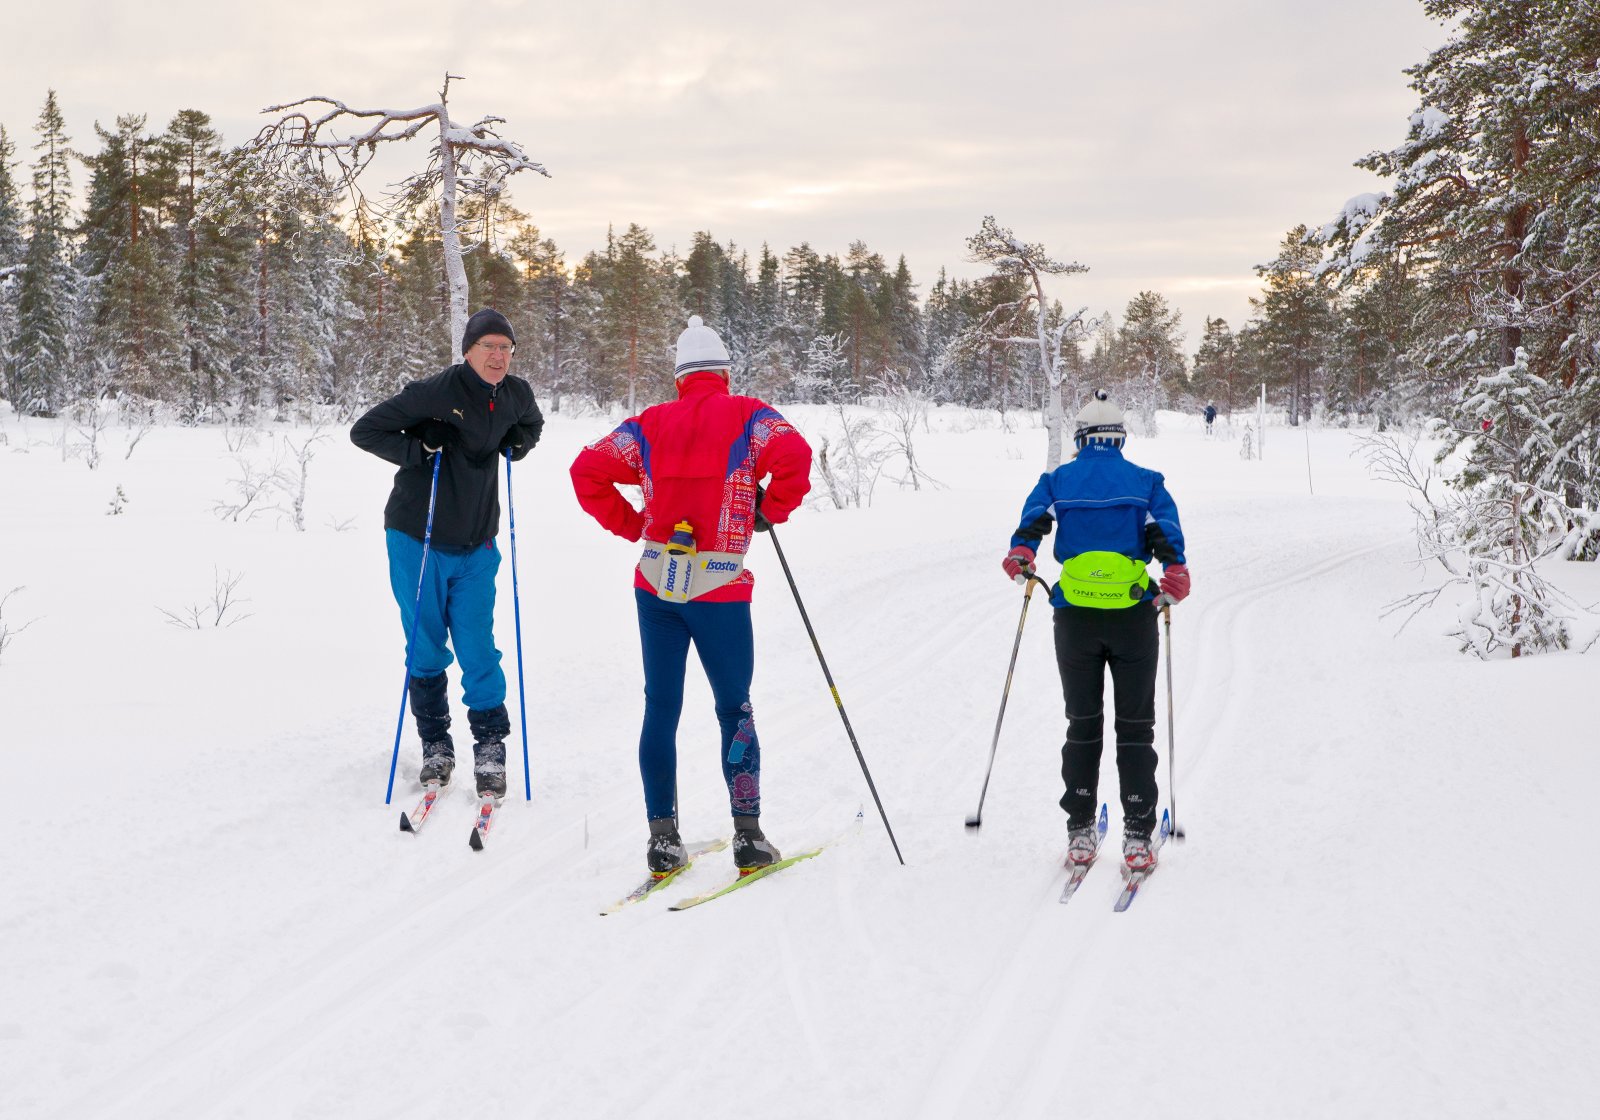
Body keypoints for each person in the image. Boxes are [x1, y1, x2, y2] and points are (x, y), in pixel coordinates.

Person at [570, 315, 812, 877]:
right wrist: (766, 511)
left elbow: (587, 470)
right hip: (722, 584)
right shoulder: (750, 415)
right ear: (724, 372)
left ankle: (662, 840)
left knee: (661, 708)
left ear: (679, 376)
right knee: (734, 707)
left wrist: (634, 526)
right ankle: (748, 838)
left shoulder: (649, 424)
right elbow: (795, 458)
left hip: (657, 584)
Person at [351, 308, 544, 799]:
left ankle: (490, 748)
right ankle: (436, 744)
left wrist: (520, 441)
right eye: (488, 347)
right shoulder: (434, 392)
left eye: (505, 347)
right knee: (427, 644)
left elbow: (532, 423)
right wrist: (417, 445)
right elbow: (366, 431)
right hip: (419, 538)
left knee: (480, 648)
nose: (498, 356)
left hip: (478, 543)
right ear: (468, 351)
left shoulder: (516, 393)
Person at [1001, 390, 1190, 876]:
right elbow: (1164, 533)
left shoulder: (1058, 480)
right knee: (1135, 728)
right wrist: (1174, 574)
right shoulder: (1146, 482)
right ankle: (1137, 837)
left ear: (1081, 439)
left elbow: (1031, 526)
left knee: (1081, 724)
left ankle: (1080, 830)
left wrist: (1022, 555)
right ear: (1120, 439)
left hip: (1076, 619)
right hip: (1132, 617)